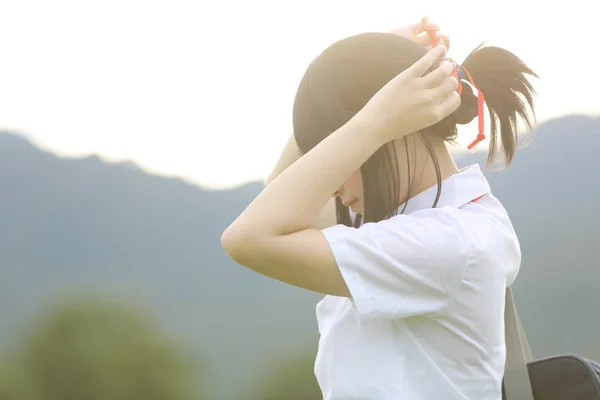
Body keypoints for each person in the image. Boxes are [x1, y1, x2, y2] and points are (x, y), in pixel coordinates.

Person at [221, 16, 537, 400]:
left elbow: (249, 238)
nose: (333, 183)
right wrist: (361, 78)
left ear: (395, 125)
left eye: (342, 148)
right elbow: (279, 192)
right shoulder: (409, 219)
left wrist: (371, 119)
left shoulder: (450, 239)